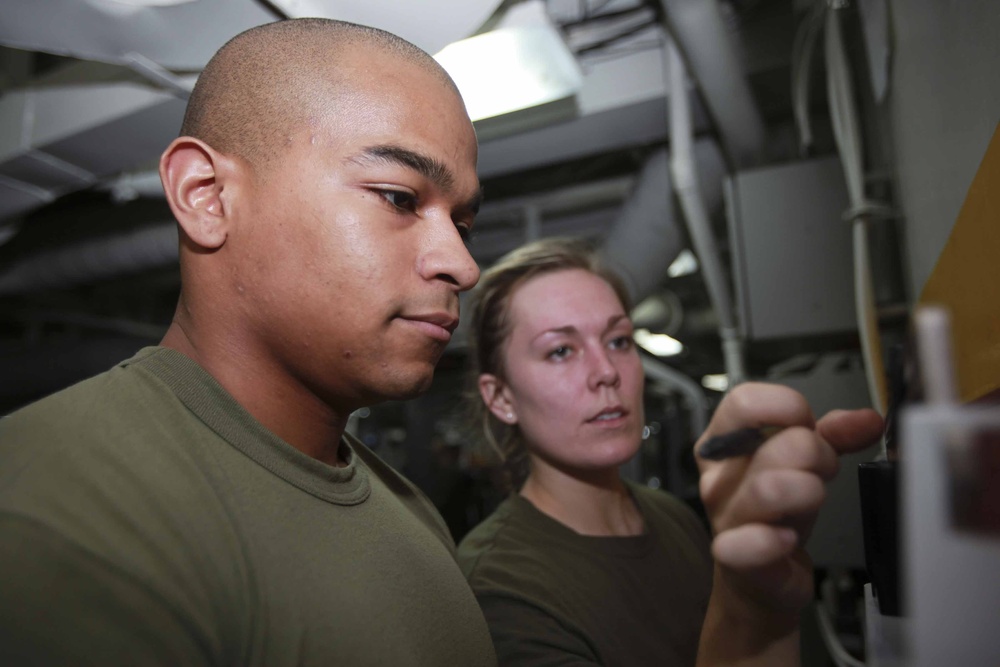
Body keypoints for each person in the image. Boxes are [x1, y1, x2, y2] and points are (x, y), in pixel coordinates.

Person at [0, 18, 495, 666]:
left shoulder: (409, 509)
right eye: (400, 198)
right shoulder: (57, 512)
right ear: (206, 196)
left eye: (461, 221)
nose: (462, 263)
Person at [456, 237, 883, 666]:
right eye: (561, 350)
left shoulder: (673, 517)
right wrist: (748, 608)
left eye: (619, 341)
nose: (606, 372)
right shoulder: (497, 588)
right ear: (502, 398)